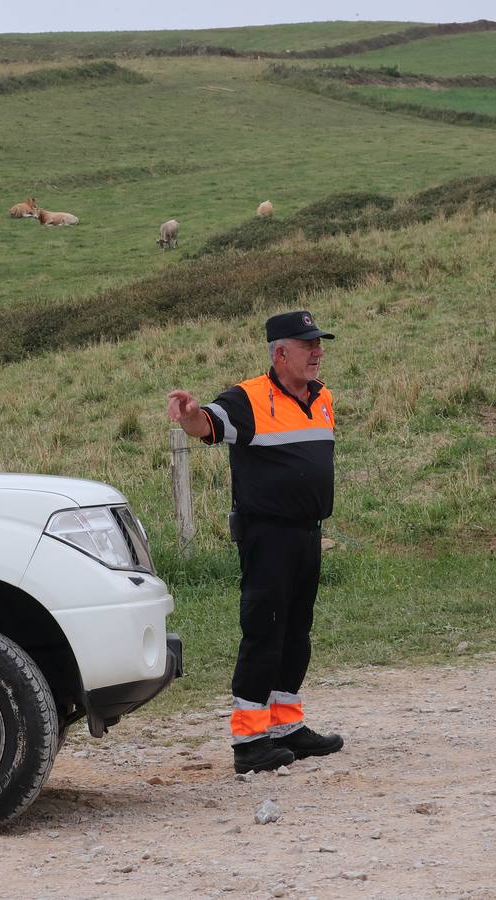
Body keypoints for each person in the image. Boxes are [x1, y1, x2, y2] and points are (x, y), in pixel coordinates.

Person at [167, 310, 345, 773]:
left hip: (308, 533)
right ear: (280, 352)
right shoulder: (248, 398)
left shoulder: (323, 399)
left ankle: (287, 726)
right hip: (267, 535)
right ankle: (249, 741)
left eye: (319, 344)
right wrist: (190, 416)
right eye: (308, 346)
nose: (318, 352)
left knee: (296, 632)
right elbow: (207, 424)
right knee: (264, 631)